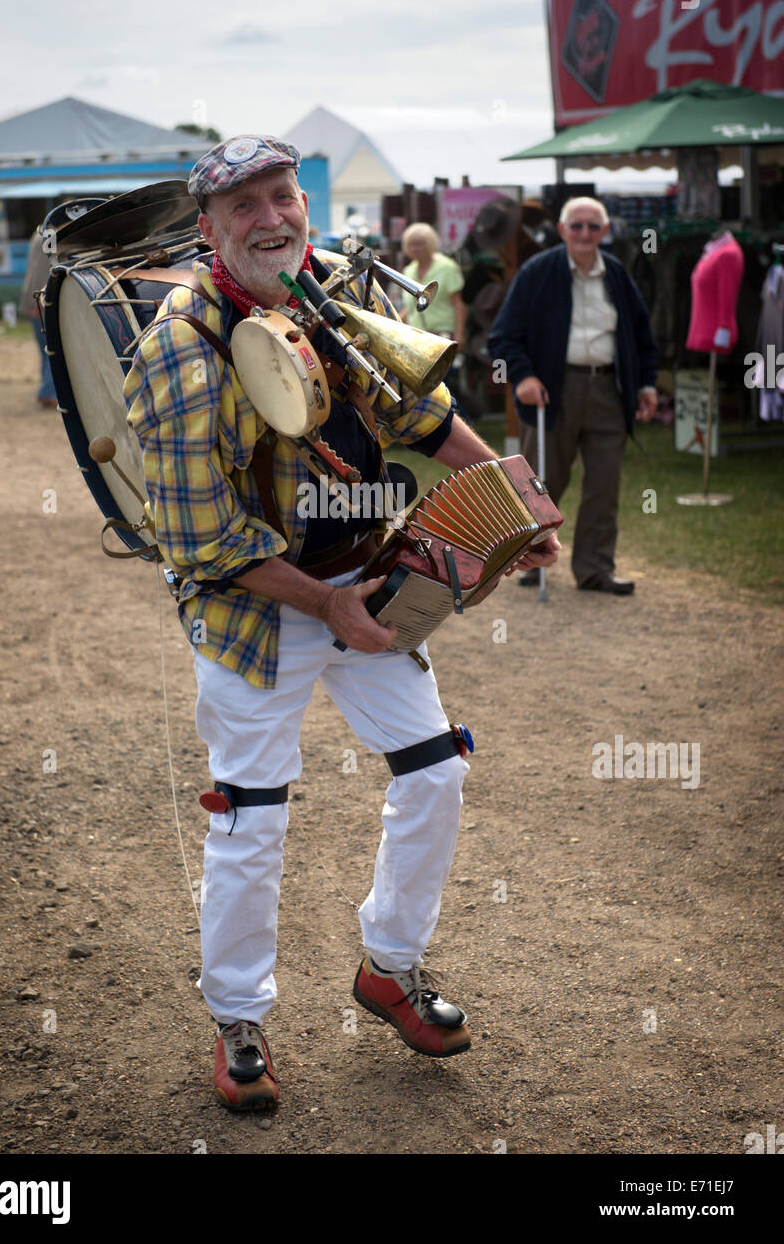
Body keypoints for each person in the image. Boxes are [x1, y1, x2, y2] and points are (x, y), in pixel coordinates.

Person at [123, 136, 560, 1111]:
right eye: (244, 206)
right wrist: (325, 607)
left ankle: (386, 968)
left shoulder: (322, 291)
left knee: (436, 769)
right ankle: (239, 1019)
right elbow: (202, 541)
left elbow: (414, 410)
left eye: (283, 196)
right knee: (251, 814)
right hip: (255, 608)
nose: (271, 217)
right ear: (208, 229)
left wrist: (510, 493)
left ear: (304, 205)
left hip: (358, 583)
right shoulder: (177, 351)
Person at [487, 196, 658, 595]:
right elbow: (503, 337)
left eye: (592, 226)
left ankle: (595, 568)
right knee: (542, 483)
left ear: (604, 232)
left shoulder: (616, 274)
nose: (584, 233)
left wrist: (647, 384)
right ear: (562, 230)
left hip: (608, 391)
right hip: (551, 391)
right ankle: (528, 561)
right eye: (576, 226)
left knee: (604, 484)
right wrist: (524, 377)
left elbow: (642, 336)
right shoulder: (537, 272)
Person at [400, 223, 467, 348]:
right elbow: (409, 307)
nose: (414, 249)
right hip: (415, 337)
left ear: (430, 244)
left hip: (442, 336)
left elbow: (459, 303)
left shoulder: (447, 267)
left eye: (419, 244)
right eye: (411, 245)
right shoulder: (408, 270)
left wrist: (460, 333)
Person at [19, 227, 56, 408]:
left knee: (45, 350)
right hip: (43, 300)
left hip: (33, 299)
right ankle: (48, 391)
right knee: (54, 349)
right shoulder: (51, 235)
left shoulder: (38, 234)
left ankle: (48, 389)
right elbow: (46, 270)